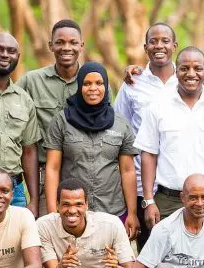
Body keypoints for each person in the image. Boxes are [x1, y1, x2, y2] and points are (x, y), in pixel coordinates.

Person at [134, 47, 204, 237]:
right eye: (184, 68)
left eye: (197, 68)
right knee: (164, 263)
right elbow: (148, 155)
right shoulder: (158, 107)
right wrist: (149, 201)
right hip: (168, 200)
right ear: (176, 72)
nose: (191, 74)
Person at [44, 62, 139, 240]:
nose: (93, 88)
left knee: (114, 265)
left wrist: (132, 213)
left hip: (113, 211)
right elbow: (52, 168)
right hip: (72, 214)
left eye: (99, 83)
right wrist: (53, 214)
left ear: (106, 86)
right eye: (87, 84)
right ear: (79, 86)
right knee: (72, 265)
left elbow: (127, 171)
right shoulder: (62, 121)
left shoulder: (120, 124)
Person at [114, 23, 178, 250]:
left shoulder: (187, 81)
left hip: (177, 183)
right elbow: (119, 129)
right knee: (148, 250)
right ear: (145, 47)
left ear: (174, 46)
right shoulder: (133, 83)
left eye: (165, 41)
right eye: (153, 41)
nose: (159, 45)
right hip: (143, 184)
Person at [17, 19, 85, 217]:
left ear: (81, 45)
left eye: (73, 43)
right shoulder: (32, 81)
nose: (66, 48)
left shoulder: (92, 81)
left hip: (83, 172)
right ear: (50, 45)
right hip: (42, 175)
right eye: (60, 42)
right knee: (48, 231)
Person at [0, 32, 40, 216]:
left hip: (14, 190)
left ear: (18, 57)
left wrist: (34, 200)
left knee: (15, 244)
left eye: (11, 51)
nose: (5, 54)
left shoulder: (24, 100)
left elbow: (29, 151)